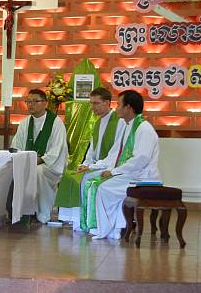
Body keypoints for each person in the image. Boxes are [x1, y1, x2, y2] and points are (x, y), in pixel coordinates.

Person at [83, 90, 160, 240]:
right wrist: (96, 167)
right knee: (96, 182)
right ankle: (112, 228)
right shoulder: (128, 126)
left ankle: (109, 229)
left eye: (119, 105)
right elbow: (114, 154)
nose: (116, 108)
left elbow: (141, 160)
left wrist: (114, 172)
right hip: (130, 174)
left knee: (103, 188)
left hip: (143, 177)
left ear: (129, 108)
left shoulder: (144, 129)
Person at [58, 87, 125, 230]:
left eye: (96, 103)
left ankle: (91, 222)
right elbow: (92, 151)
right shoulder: (97, 123)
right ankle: (74, 220)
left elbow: (115, 154)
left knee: (86, 179)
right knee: (69, 176)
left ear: (107, 103)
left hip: (111, 167)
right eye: (91, 103)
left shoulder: (119, 122)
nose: (92, 107)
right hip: (97, 165)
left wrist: (93, 167)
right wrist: (85, 164)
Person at [11, 89, 68, 223]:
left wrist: (40, 159)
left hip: (51, 166)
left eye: (35, 101)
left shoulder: (56, 123)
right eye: (28, 101)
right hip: (29, 163)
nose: (31, 105)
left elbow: (57, 149)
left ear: (45, 103)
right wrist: (23, 159)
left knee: (38, 171)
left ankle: (43, 213)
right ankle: (23, 212)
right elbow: (17, 144)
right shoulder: (25, 123)